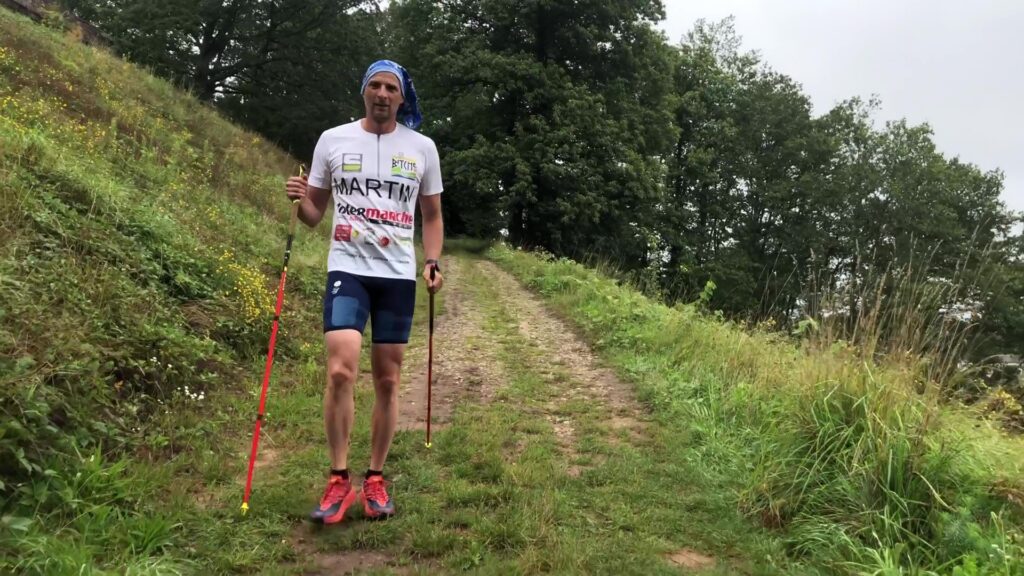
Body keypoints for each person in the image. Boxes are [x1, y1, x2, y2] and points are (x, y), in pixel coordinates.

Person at [284, 60, 444, 524]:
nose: (381, 93)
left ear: (401, 97)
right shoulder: (332, 140)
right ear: (363, 92)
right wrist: (299, 200)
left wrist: (431, 261)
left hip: (396, 274)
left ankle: (375, 478)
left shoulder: (422, 148)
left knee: (388, 381)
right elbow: (315, 213)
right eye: (373, 85)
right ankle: (338, 479)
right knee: (339, 370)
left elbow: (431, 216)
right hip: (347, 268)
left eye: (390, 87)